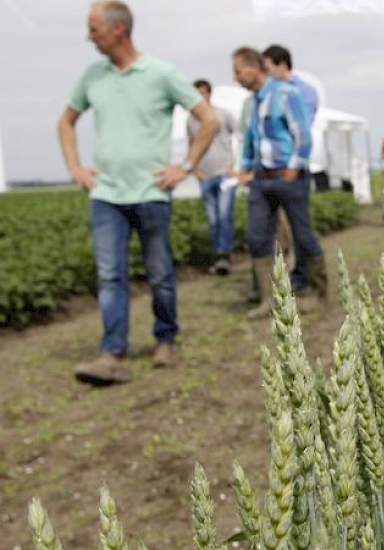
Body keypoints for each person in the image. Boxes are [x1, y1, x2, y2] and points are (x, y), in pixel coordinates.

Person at [58, 1, 218, 385]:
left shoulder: (161, 74)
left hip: (150, 192)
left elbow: (208, 119)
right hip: (106, 195)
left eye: (94, 29)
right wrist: (76, 169)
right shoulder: (92, 76)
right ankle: (112, 353)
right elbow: (65, 122)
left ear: (119, 30)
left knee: (160, 273)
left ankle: (166, 340)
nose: (89, 37)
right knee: (110, 275)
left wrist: (186, 166)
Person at [232, 46, 328, 319]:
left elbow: (303, 136)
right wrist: (245, 169)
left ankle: (319, 294)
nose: (236, 77)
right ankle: (268, 299)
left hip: (288, 176)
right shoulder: (253, 103)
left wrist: (294, 167)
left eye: (238, 71)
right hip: (262, 180)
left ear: (254, 68)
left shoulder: (287, 94)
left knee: (302, 234)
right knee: (256, 236)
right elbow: (252, 140)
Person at [263, 44, 316, 290]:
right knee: (279, 229)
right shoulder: (268, 92)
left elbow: (302, 130)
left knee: (300, 228)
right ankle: (287, 275)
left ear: (281, 64)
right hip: (273, 171)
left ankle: (308, 277)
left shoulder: (303, 91)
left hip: (294, 169)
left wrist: (294, 166)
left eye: (268, 67)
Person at [189, 79, 238, 275]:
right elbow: (191, 145)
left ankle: (224, 256)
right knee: (213, 219)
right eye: (197, 94)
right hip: (205, 175)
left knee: (224, 215)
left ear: (210, 93)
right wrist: (194, 169)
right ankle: (219, 256)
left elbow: (239, 136)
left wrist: (234, 166)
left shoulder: (223, 114)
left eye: (203, 93)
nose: (200, 97)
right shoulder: (191, 120)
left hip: (225, 173)